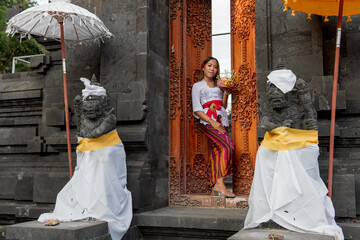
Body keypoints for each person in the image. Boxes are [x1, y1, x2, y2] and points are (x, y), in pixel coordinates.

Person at [243, 68, 344, 240]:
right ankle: (271, 208)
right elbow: (265, 122)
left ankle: (296, 210)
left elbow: (309, 126)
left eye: (279, 91)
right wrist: (279, 127)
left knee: (291, 162)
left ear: (289, 93)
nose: (275, 96)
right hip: (274, 146)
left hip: (298, 146)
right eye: (271, 91)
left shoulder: (299, 107)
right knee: (267, 157)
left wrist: (303, 102)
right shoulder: (268, 108)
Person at [38, 77, 133, 240]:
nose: (89, 112)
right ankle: (88, 204)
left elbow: (93, 133)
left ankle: (104, 207)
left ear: (102, 105)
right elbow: (82, 130)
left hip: (108, 149)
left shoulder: (109, 118)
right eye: (86, 109)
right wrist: (77, 110)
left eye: (92, 109)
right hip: (88, 149)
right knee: (86, 177)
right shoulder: (85, 116)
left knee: (105, 173)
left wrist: (83, 132)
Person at [192, 56, 235, 198]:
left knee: (218, 151)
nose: (212, 69)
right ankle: (220, 182)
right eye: (210, 65)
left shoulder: (219, 85)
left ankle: (217, 184)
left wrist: (226, 94)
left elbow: (222, 105)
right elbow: (197, 109)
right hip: (208, 121)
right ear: (203, 67)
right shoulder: (197, 86)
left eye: (215, 67)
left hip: (222, 119)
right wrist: (212, 122)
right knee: (229, 146)